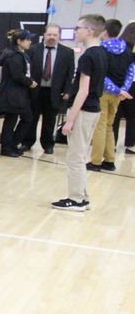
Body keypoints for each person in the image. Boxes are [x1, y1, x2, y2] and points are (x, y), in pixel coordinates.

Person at [52, 14, 107, 211]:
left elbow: (83, 90)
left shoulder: (88, 56)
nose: (76, 31)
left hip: (85, 111)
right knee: (81, 154)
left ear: (89, 31)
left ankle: (76, 199)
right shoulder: (100, 53)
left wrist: (70, 120)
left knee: (75, 156)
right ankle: (82, 196)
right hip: (94, 110)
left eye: (78, 28)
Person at [89, 18, 135, 172]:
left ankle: (95, 161)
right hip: (118, 95)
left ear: (105, 32)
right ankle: (109, 160)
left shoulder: (101, 50)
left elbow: (101, 74)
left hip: (103, 92)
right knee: (108, 126)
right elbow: (131, 72)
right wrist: (122, 90)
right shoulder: (128, 50)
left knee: (99, 127)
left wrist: (114, 89)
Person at [25, 23, 75, 155]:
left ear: (59, 36)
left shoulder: (67, 52)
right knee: (31, 118)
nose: (51, 37)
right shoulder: (32, 50)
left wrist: (67, 90)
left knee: (50, 119)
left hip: (54, 92)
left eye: (55, 35)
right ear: (44, 35)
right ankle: (27, 142)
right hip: (35, 90)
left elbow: (70, 74)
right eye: (49, 34)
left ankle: (47, 144)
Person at [0, 29, 39, 157]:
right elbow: (17, 75)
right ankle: (7, 147)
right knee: (13, 119)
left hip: (18, 93)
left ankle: (12, 144)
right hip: (12, 94)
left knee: (23, 118)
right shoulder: (14, 56)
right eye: (27, 39)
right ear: (19, 41)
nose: (30, 42)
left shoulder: (20, 54)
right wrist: (29, 82)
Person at [113, 22, 135, 154]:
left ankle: (112, 143)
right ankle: (131, 145)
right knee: (133, 116)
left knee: (115, 114)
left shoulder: (118, 46)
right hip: (133, 83)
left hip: (118, 83)